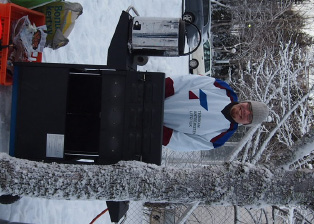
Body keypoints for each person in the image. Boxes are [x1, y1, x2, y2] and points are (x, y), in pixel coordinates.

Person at [163, 74, 269, 151]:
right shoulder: (222, 89)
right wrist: (160, 90)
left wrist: (157, 130)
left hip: (153, 125)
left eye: (250, 117)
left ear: (246, 123)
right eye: (249, 106)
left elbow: (184, 143)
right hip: (155, 95)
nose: (245, 112)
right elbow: (188, 82)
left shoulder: (219, 138)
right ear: (246, 101)